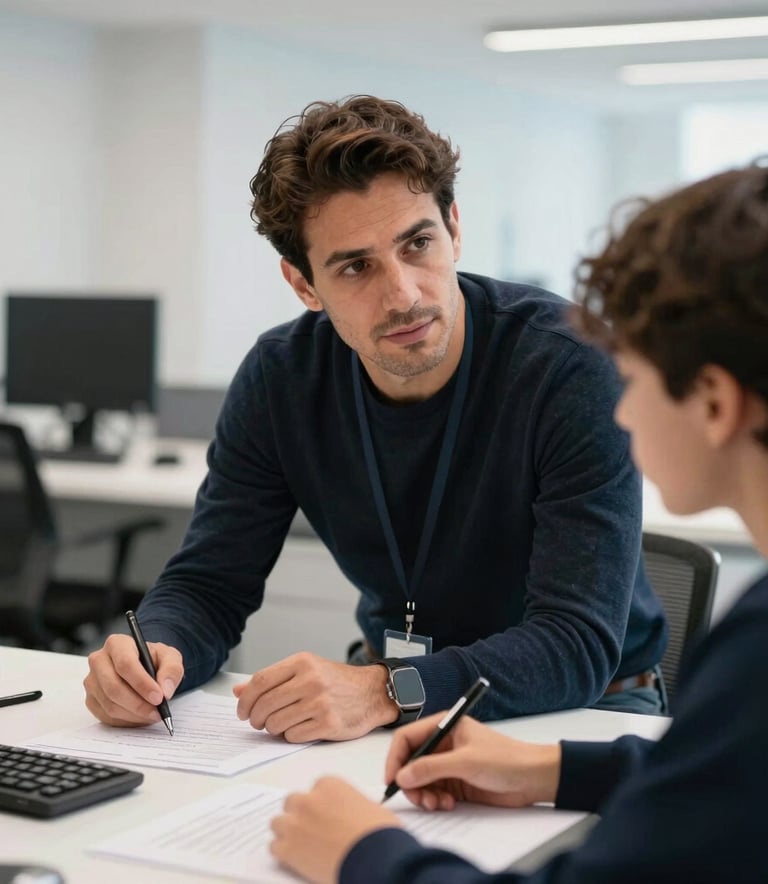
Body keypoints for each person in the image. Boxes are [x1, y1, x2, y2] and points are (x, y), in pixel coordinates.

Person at [83, 95, 666, 741]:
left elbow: (575, 644)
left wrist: (390, 689)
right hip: (395, 699)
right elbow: (209, 583)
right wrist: (154, 655)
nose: (404, 294)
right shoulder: (283, 378)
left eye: (417, 244)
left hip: (581, 710)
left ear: (453, 227)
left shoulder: (568, 365)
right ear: (304, 285)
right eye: (356, 266)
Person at [267, 161, 768, 883]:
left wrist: (366, 854)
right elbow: (722, 782)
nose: (619, 410)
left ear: (714, 403)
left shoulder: (756, 649)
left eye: (631, 377)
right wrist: (551, 767)